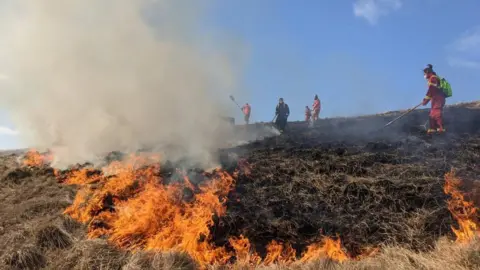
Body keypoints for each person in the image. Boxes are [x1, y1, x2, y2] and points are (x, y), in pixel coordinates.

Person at [422, 67, 446, 134]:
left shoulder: (433, 78)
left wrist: (425, 100)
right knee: (432, 113)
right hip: (435, 99)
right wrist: (426, 100)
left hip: (438, 99)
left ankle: (440, 128)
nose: (424, 75)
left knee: (436, 113)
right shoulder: (432, 78)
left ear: (427, 72)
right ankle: (433, 129)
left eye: (424, 73)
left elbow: (431, 90)